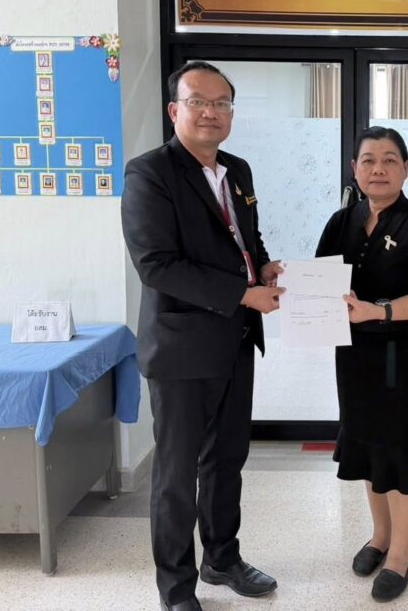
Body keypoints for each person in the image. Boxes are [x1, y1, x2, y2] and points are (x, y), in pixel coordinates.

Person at [121, 61, 285, 611]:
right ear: (175, 110)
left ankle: (222, 558)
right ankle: (175, 588)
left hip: (235, 341)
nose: (211, 112)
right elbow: (156, 265)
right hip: (181, 349)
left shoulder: (237, 170)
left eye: (221, 104)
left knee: (227, 460)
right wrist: (242, 293)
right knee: (176, 474)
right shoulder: (150, 173)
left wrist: (262, 268)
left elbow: (244, 241)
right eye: (198, 102)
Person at [315, 126, 408, 603]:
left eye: (390, 160)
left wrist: (379, 311)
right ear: (354, 168)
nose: (378, 169)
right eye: (369, 160)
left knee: (402, 454)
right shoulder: (341, 222)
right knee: (370, 449)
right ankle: (380, 536)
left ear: (406, 169)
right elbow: (321, 282)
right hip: (356, 359)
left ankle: (401, 554)